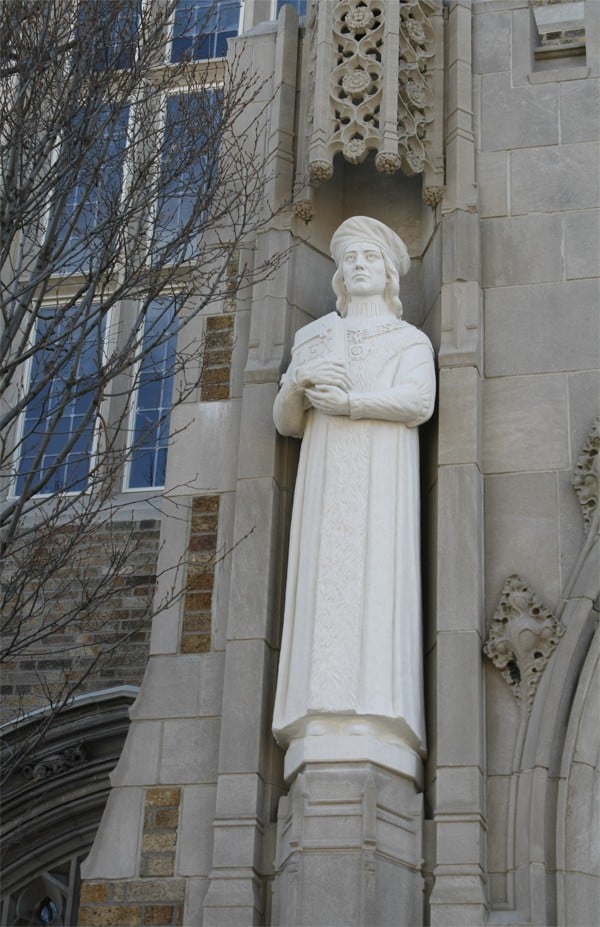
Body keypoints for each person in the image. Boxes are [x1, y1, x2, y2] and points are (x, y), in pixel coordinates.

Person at [272, 217, 436, 774]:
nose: (359, 265)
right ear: (339, 274)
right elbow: (286, 422)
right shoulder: (313, 337)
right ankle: (316, 714)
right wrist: (298, 385)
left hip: (383, 479)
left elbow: (417, 402)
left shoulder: (408, 340)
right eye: (349, 259)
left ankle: (380, 716)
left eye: (369, 257)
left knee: (377, 587)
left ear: (388, 272)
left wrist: (351, 403)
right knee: (325, 587)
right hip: (324, 480)